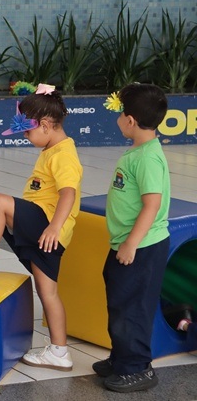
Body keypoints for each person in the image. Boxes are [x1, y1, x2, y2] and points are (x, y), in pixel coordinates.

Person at [0, 84, 82, 371]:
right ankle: (60, 352)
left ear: (45, 125)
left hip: (48, 226)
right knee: (47, 293)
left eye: (27, 131)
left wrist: (54, 227)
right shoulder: (52, 148)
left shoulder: (63, 154)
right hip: (49, 233)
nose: (25, 136)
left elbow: (68, 193)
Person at [93, 83, 171, 393]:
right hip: (127, 244)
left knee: (133, 309)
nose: (117, 119)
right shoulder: (139, 151)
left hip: (141, 246)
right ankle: (122, 358)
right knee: (120, 303)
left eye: (120, 113)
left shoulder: (148, 158)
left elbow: (152, 205)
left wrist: (130, 244)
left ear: (130, 120)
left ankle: (137, 368)